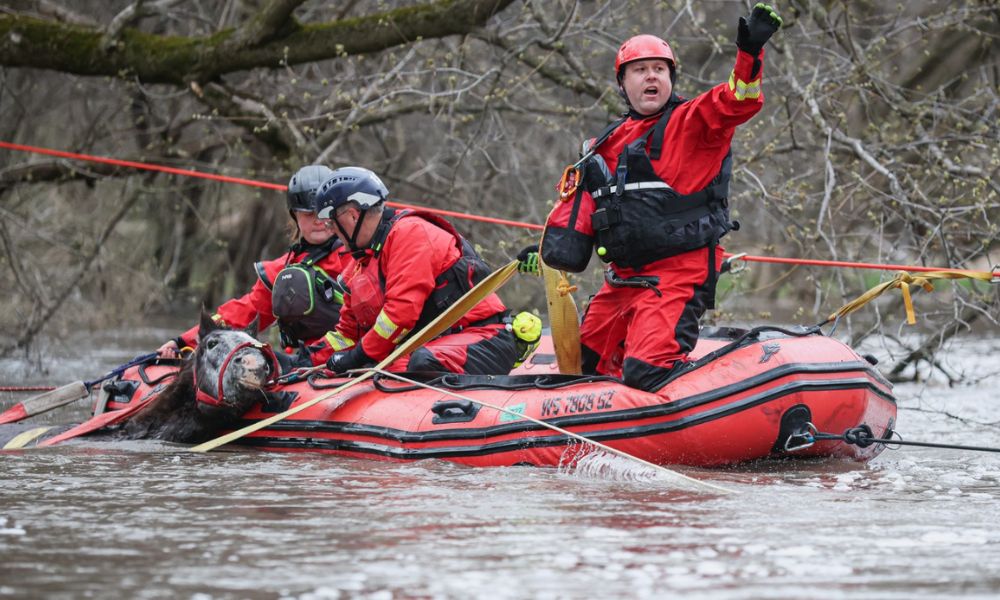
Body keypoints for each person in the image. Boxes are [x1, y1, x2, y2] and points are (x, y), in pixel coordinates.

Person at [538, 4, 783, 391]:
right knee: (581, 368)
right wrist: (538, 252)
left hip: (677, 273)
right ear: (623, 83)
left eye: (659, 69)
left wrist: (750, 53)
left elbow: (740, 99)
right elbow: (577, 208)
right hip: (621, 280)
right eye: (640, 70)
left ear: (670, 78)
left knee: (647, 372)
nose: (651, 76)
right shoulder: (601, 144)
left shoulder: (694, 121)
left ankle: (725, 397)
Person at [311, 166, 521, 375]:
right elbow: (348, 333)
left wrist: (357, 357)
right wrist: (305, 359)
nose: (333, 233)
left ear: (353, 216)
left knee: (415, 365)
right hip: (431, 346)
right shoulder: (360, 264)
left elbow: (400, 315)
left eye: (332, 224)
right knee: (397, 368)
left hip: (483, 338)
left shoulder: (410, 234)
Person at [158, 165, 352, 370]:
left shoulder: (360, 256)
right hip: (308, 365)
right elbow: (242, 313)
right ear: (294, 215)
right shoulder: (283, 272)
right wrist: (182, 342)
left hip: (358, 359)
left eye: (323, 212)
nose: (318, 221)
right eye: (308, 213)